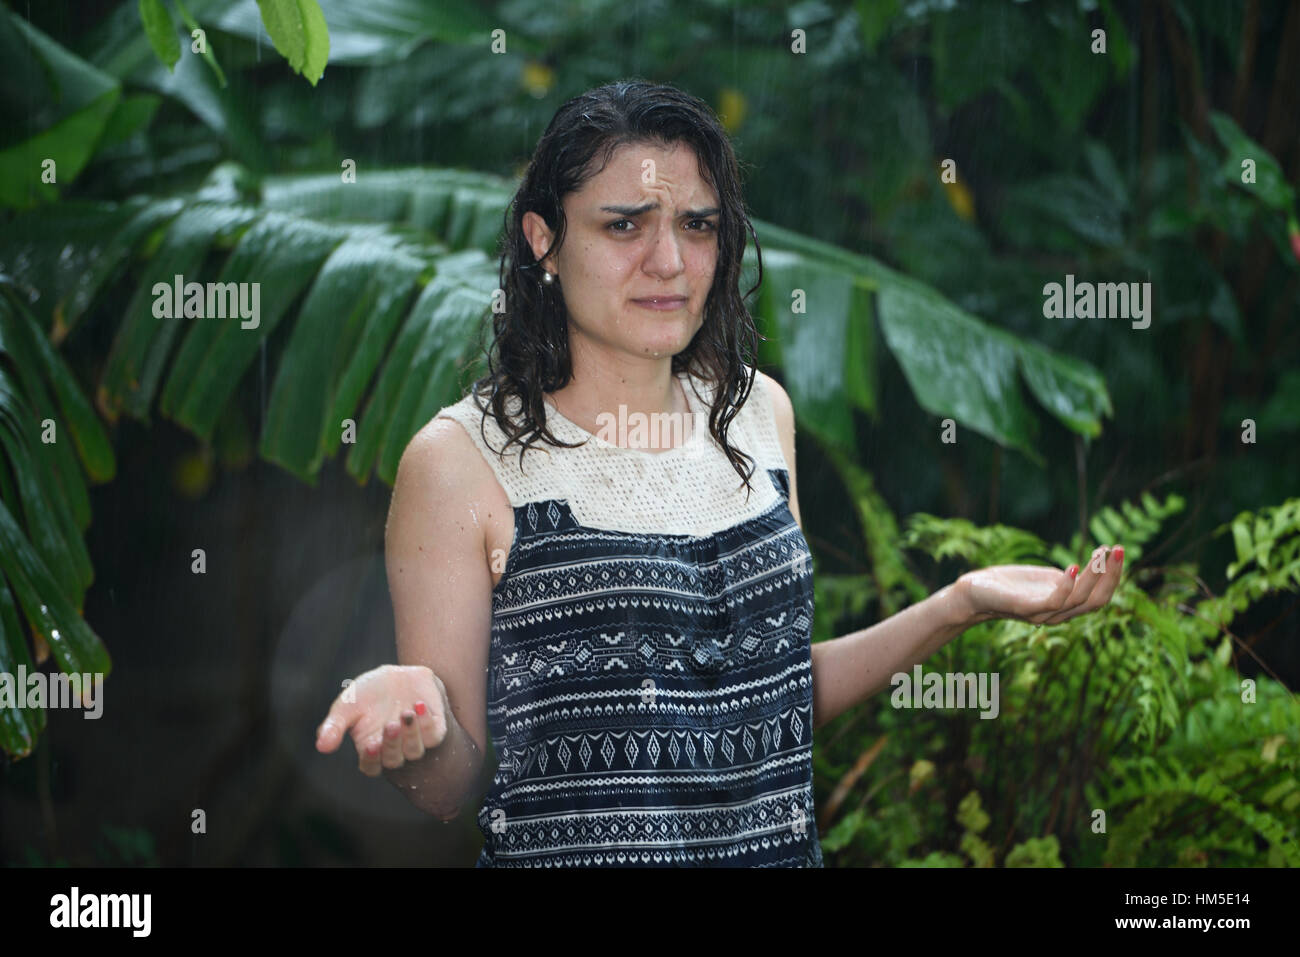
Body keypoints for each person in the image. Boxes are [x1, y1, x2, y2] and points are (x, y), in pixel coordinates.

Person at [314, 79, 1124, 867]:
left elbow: (774, 695)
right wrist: (420, 722)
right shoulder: (462, 462)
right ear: (543, 239)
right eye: (624, 225)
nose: (669, 261)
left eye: (697, 225)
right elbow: (449, 787)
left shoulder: (758, 415)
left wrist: (959, 603)